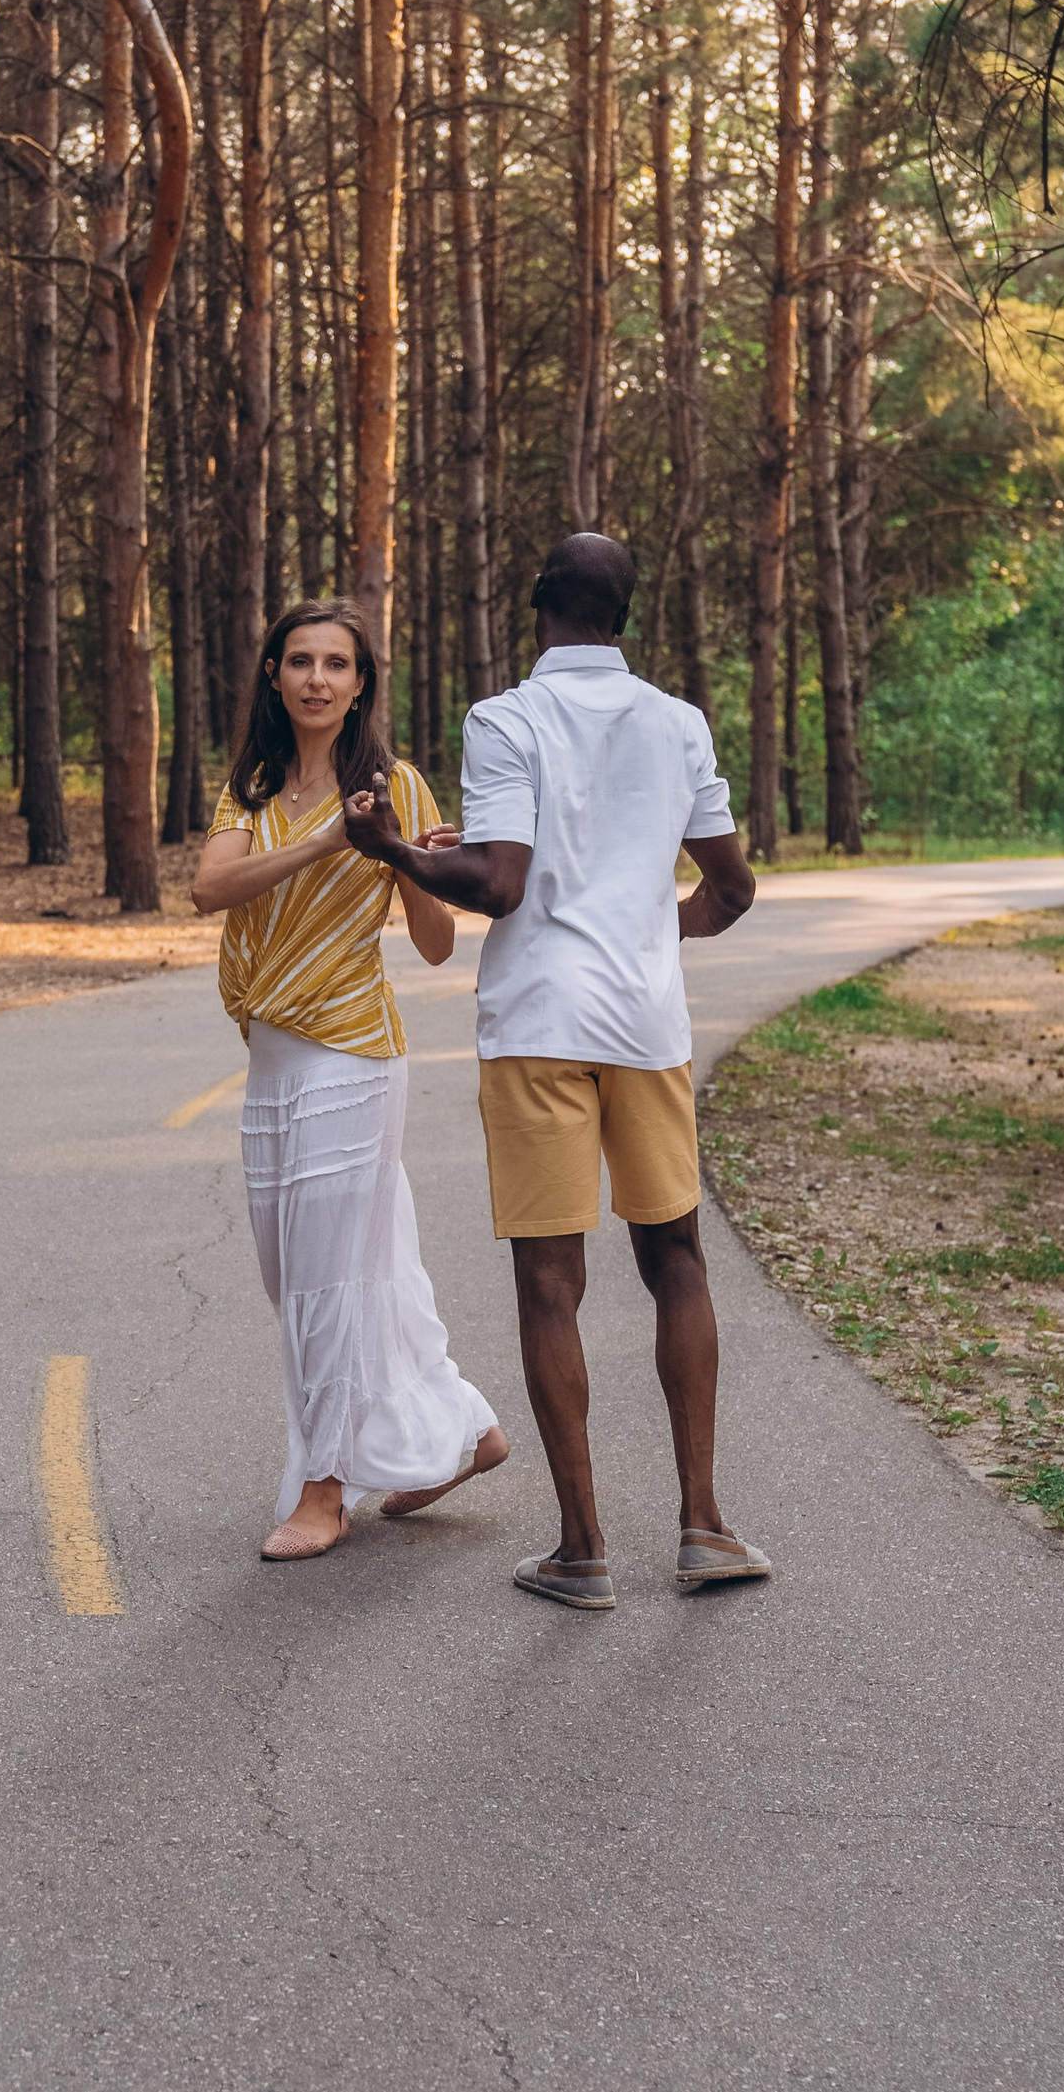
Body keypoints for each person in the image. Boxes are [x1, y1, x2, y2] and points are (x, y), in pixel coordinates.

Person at [343, 531, 765, 1610]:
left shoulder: (505, 719)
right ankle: (704, 1525)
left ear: (538, 606)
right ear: (624, 615)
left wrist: (392, 852)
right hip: (644, 1023)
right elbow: (730, 887)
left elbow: (500, 884)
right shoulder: (678, 724)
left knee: (549, 1283)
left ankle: (582, 1551)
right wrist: (651, 925)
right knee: (676, 1260)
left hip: (538, 1022)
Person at [191, 599, 507, 1564]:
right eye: (300, 661)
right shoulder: (248, 788)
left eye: (337, 663)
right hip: (271, 1060)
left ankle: (324, 1488)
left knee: (329, 1279)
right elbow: (210, 889)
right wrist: (334, 839)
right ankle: (465, 1429)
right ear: (275, 677)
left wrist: (408, 855)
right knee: (322, 1275)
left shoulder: (394, 785)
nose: (319, 678)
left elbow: (438, 942)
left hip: (352, 1057)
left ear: (361, 681)